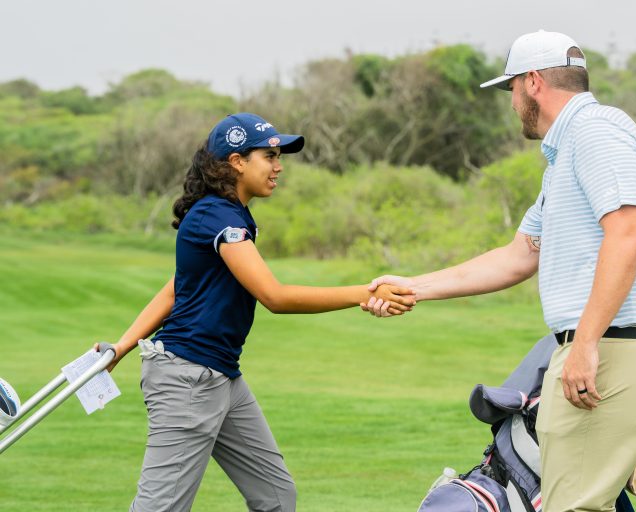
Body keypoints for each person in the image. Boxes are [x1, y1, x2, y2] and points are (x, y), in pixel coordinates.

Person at [362, 30, 636, 512]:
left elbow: (628, 235)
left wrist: (585, 344)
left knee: (572, 505)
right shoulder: (564, 155)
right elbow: (519, 256)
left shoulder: (596, 132)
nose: (512, 102)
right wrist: (414, 287)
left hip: (615, 349)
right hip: (602, 348)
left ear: (533, 82)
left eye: (511, 88)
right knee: (574, 499)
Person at [96, 113, 415, 512]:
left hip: (223, 379)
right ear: (237, 162)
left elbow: (177, 288)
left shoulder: (234, 216)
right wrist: (365, 293)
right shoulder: (217, 217)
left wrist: (123, 345)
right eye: (269, 156)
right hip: (187, 380)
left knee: (277, 497)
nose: (279, 166)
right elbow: (274, 296)